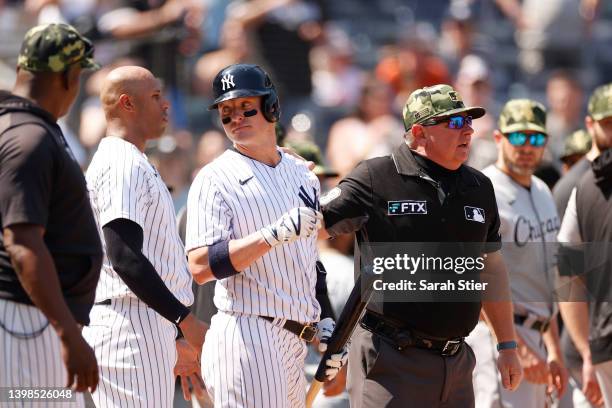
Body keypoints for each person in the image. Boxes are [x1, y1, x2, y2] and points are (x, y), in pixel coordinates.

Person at [319, 84, 523, 407]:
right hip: (389, 359)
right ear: (419, 132)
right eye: (455, 123)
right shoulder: (376, 178)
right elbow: (311, 227)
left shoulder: (479, 187)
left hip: (457, 362)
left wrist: (507, 345)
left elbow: (491, 267)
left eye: (469, 121)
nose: (468, 130)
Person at [185, 63, 347, 407]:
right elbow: (199, 266)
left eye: (246, 107)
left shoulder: (303, 175)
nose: (236, 118)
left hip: (294, 341)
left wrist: (325, 322)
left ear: (271, 106)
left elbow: (307, 260)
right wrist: (270, 236)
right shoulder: (214, 178)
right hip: (247, 334)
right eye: (226, 112)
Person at [83, 66, 208, 407]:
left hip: (141, 320)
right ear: (127, 104)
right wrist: (184, 320)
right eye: (154, 96)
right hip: (131, 323)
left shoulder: (130, 159)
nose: (165, 104)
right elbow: (124, 255)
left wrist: (171, 334)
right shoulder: (122, 162)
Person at [0, 23, 103, 403]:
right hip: (27, 322)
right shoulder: (28, 137)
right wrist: (69, 335)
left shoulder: (27, 128)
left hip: (36, 317)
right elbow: (23, 243)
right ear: (69, 75)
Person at [467, 99, 568, 407]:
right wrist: (517, 347)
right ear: (499, 138)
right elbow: (473, 278)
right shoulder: (483, 190)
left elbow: (544, 278)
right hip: (500, 341)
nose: (527, 146)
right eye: (518, 137)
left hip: (539, 337)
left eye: (535, 138)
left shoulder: (542, 190)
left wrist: (554, 350)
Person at [557, 83, 612, 408]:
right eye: (608, 123)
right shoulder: (579, 186)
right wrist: (584, 350)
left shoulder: (584, 184)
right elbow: (566, 276)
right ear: (590, 124)